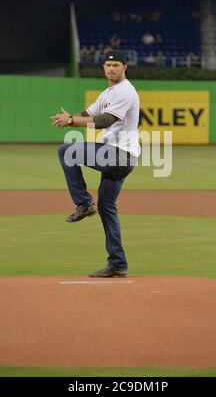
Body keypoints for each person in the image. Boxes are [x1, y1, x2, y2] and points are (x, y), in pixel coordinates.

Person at [50, 50, 141, 278]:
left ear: (125, 67)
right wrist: (71, 117)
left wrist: (72, 121)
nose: (111, 69)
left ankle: (83, 203)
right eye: (108, 65)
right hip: (120, 156)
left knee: (66, 151)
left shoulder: (125, 92)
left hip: (119, 154)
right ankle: (118, 264)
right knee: (107, 208)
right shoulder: (107, 93)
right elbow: (89, 113)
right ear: (103, 67)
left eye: (116, 65)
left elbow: (104, 121)